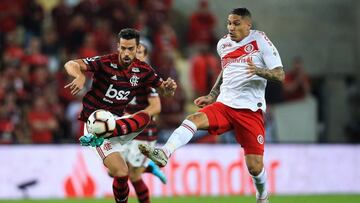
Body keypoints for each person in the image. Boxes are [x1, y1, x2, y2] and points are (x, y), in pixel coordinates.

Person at [138, 8, 285, 203]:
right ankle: (164, 153)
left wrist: (259, 70)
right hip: (224, 104)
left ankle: (262, 195)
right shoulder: (223, 44)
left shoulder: (260, 41)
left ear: (248, 25)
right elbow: (226, 70)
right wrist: (212, 94)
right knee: (193, 119)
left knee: (255, 167)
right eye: (229, 23)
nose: (231, 27)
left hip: (250, 110)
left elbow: (280, 75)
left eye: (236, 23)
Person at [63, 28, 176, 203]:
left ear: (137, 47)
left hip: (116, 124)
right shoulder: (105, 62)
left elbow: (164, 91)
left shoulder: (143, 70)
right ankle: (98, 137)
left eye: (130, 48)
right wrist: (78, 75)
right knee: (121, 172)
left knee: (146, 117)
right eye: (123, 48)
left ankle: (130, 152)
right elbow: (71, 63)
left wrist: (168, 89)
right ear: (118, 47)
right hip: (95, 123)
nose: (126, 52)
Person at [119, 42, 167, 203]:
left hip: (143, 133)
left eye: (140, 52)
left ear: (145, 57)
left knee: (133, 175)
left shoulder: (146, 77)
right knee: (115, 171)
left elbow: (156, 107)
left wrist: (133, 118)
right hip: (126, 131)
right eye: (133, 51)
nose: (135, 55)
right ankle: (150, 167)